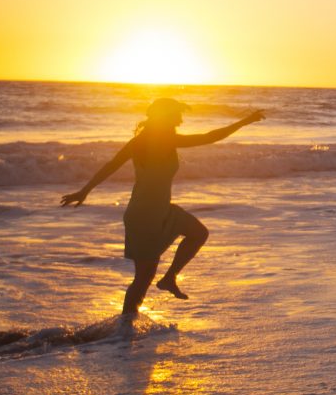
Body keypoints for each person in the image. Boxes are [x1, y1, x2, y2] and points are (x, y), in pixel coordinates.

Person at [61, 97, 265, 319]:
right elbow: (209, 137)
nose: (180, 119)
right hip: (146, 215)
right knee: (143, 278)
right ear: (166, 117)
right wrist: (244, 122)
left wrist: (85, 191)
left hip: (157, 210)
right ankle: (125, 327)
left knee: (197, 234)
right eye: (176, 114)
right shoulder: (164, 140)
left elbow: (110, 166)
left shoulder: (138, 141)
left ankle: (166, 281)